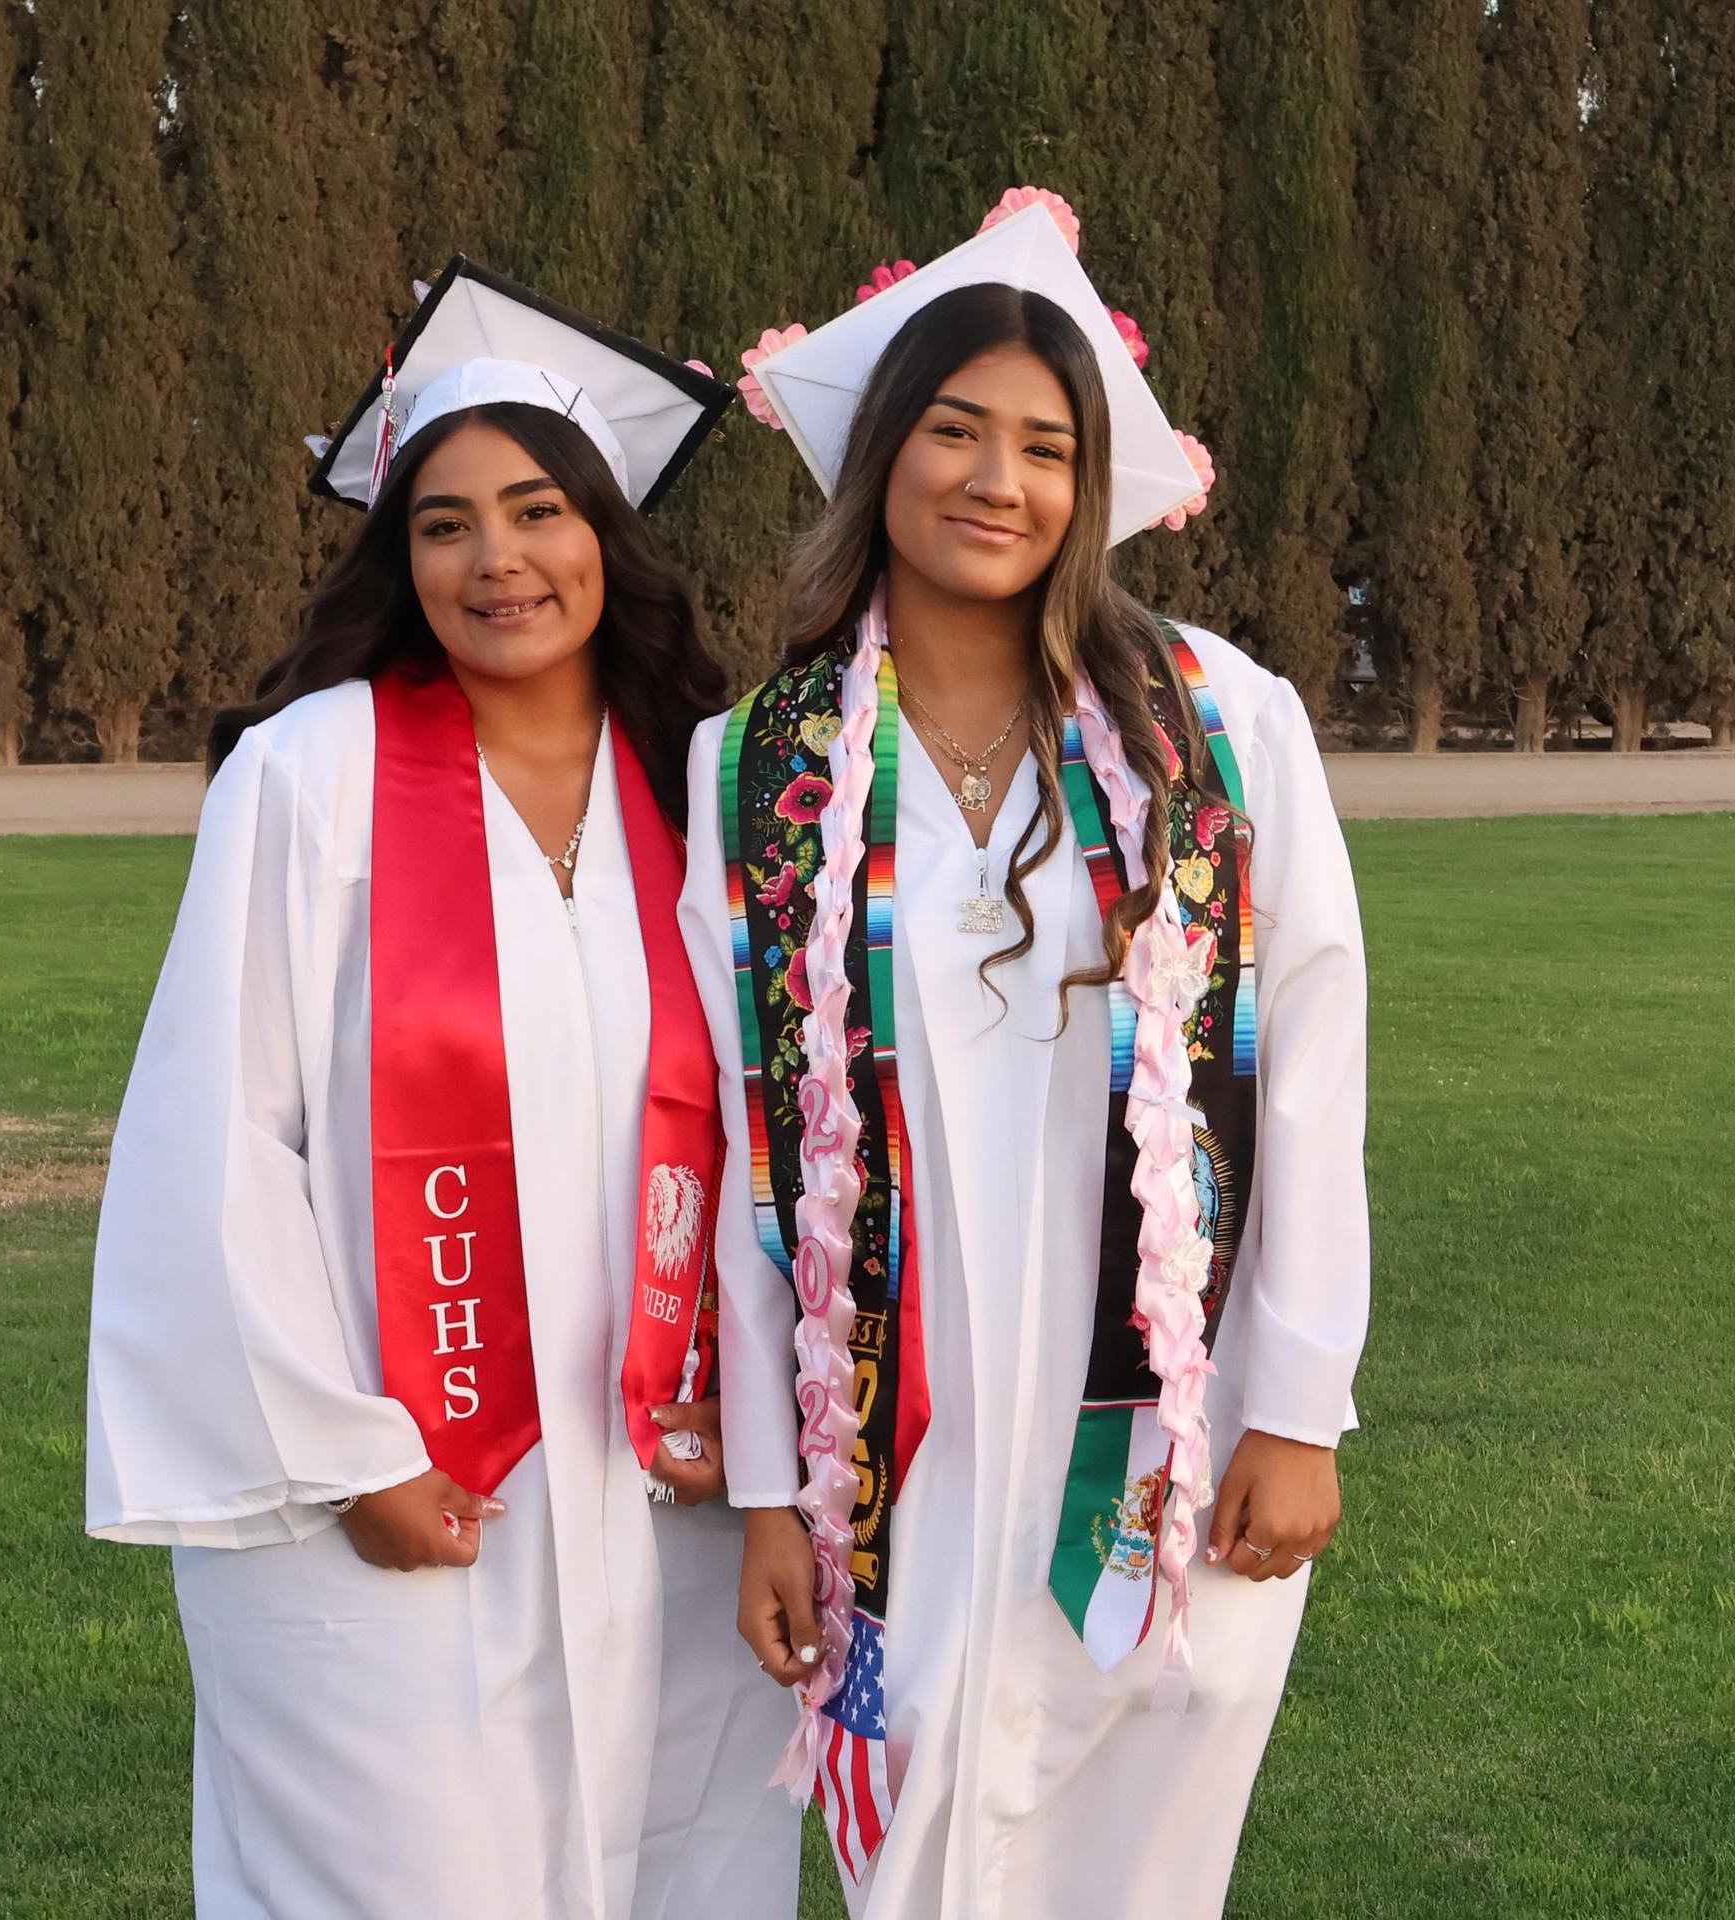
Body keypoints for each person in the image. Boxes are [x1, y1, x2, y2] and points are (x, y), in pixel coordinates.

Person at [678, 190, 1370, 1917]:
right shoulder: (756, 768)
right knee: (916, 1832)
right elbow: (759, 1152)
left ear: (1093, 486)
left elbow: (1313, 1069)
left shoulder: (1221, 721)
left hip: (1154, 1423)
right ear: (878, 456)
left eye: (1047, 446)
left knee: (1141, 1846)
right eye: (956, 430)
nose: (1000, 479)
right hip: (897, 1429)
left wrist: (1296, 1404)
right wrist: (774, 1488)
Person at [86, 259, 799, 1920]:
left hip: (659, 1492)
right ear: (400, 562)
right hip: (397, 1486)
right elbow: (216, 1142)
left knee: (669, 1865)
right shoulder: (311, 775)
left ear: (604, 536)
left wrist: (751, 1424)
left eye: (538, 509)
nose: (498, 562)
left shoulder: (701, 793)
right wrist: (346, 1455)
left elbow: (790, 1137)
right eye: (445, 525)